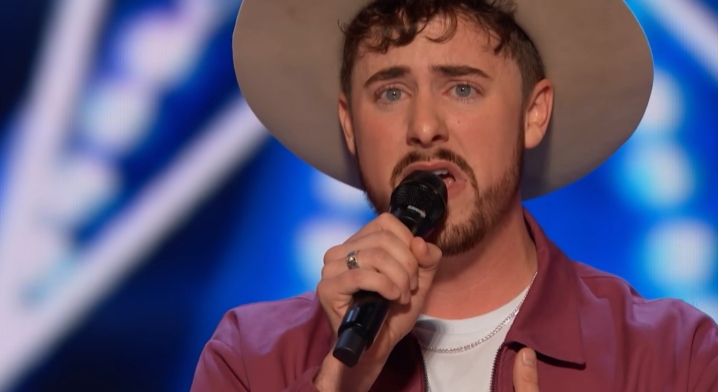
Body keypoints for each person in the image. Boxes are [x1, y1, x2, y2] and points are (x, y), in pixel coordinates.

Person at [191, 0, 718, 390]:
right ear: (350, 126)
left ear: (533, 114)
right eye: (391, 92)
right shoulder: (248, 360)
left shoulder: (674, 357)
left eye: (462, 87)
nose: (424, 127)